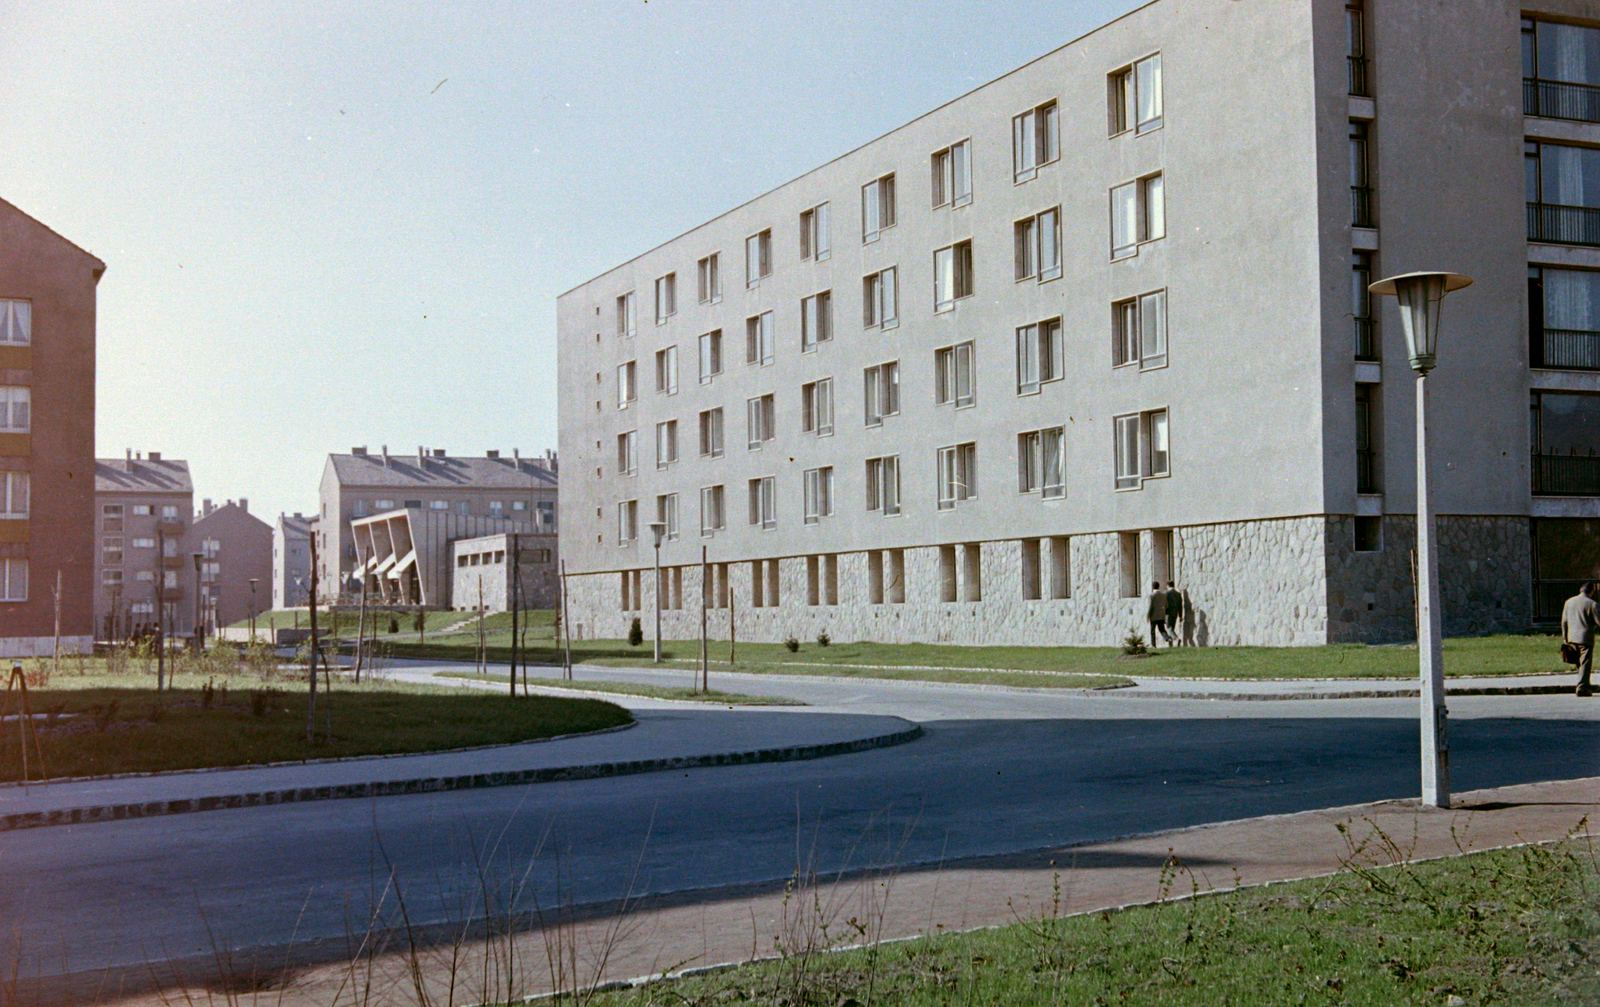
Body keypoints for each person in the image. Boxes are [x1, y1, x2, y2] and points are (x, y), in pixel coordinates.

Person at [1561, 582, 1598, 697]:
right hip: (1585, 638)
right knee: (1585, 663)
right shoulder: (1592, 604)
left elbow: (1564, 622)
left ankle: (1584, 683)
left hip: (1571, 637)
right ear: (1591, 591)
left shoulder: (1569, 602)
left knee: (1579, 663)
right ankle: (1582, 687)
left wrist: (1565, 638)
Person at [1146, 581, 1170, 648]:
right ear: (1159, 586)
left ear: (1152, 587)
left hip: (1154, 616)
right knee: (1162, 629)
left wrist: (1148, 616)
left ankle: (1153, 645)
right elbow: (1166, 605)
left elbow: (1150, 607)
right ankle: (1167, 637)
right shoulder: (1163, 595)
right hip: (1161, 615)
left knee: (1153, 631)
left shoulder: (1151, 596)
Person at [1165, 581, 1184, 647]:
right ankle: (1170, 644)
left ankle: (1176, 638)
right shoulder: (1178, 594)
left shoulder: (1166, 593)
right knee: (1172, 628)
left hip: (1168, 613)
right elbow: (1180, 605)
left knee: (1168, 628)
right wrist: (1181, 615)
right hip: (1175, 613)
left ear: (1167, 585)